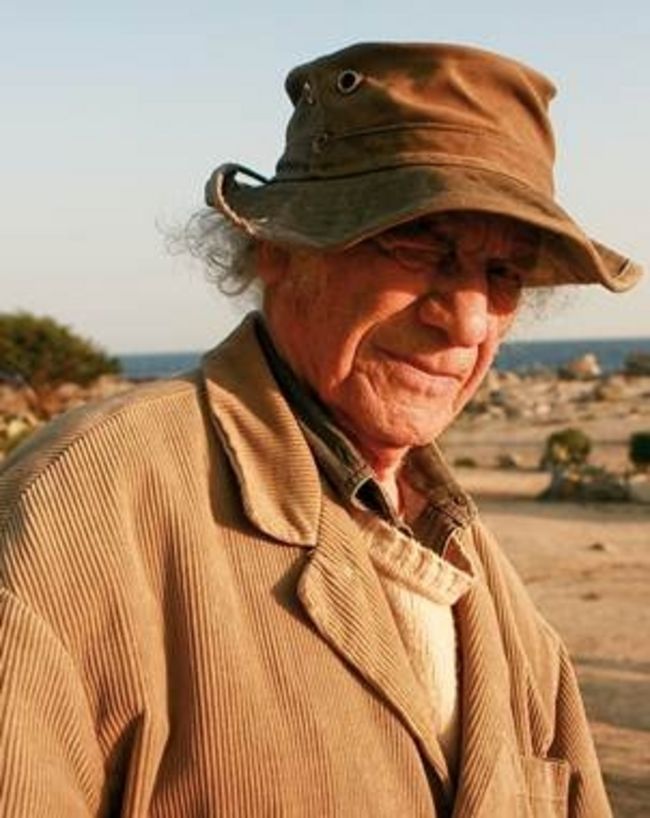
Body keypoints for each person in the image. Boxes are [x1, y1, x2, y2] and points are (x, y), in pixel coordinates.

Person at [0, 42, 642, 818]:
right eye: (418, 244)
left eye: (503, 273)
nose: (468, 319)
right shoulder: (81, 512)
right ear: (278, 248)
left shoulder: (472, 567)